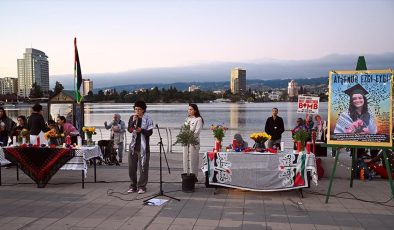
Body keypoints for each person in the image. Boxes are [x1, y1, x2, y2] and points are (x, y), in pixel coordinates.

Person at [127, 101, 154, 194]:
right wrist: (133, 121)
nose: (137, 111)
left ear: (143, 110)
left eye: (139, 109)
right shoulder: (132, 117)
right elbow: (129, 130)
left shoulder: (148, 119)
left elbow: (150, 133)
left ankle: (142, 186)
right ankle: (133, 185)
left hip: (143, 147)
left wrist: (141, 130)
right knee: (131, 167)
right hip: (133, 146)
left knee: (143, 167)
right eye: (135, 109)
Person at [183, 103, 204, 182]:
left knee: (193, 159)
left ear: (195, 110)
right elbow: (184, 129)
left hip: (193, 142)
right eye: (188, 109)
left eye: (191, 109)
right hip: (185, 141)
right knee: (185, 158)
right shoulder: (187, 119)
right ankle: (186, 175)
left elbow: (197, 131)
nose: (189, 111)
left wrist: (190, 137)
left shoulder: (198, 119)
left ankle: (194, 176)